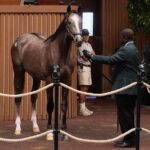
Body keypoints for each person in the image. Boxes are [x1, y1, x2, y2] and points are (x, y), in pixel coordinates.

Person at [83, 28, 140, 147]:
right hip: (130, 89)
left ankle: (129, 141)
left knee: (125, 115)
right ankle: (129, 138)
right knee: (128, 114)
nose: (120, 39)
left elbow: (111, 60)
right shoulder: (134, 49)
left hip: (125, 89)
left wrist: (92, 56)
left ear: (125, 37)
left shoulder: (125, 50)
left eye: (121, 37)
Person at [77, 29, 95, 116]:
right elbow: (84, 58)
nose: (87, 36)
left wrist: (90, 54)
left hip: (88, 67)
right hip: (83, 67)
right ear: (82, 36)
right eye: (85, 35)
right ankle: (81, 108)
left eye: (87, 35)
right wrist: (90, 54)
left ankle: (84, 107)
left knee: (86, 88)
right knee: (83, 88)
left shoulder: (89, 44)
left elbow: (93, 54)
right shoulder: (80, 44)